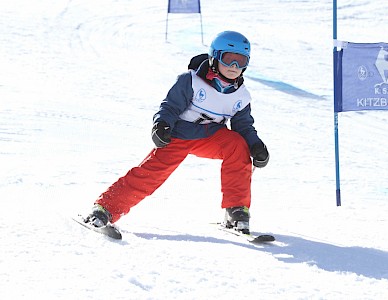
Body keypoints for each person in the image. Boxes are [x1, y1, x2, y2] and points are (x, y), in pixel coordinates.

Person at [84, 31, 269, 234]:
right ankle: (104, 210)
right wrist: (161, 124)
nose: (234, 68)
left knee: (237, 145)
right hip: (180, 134)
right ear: (215, 57)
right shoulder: (190, 81)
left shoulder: (241, 96)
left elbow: (243, 127)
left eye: (241, 61)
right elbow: (170, 107)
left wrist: (255, 145)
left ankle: (236, 210)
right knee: (151, 173)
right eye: (229, 60)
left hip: (211, 137)